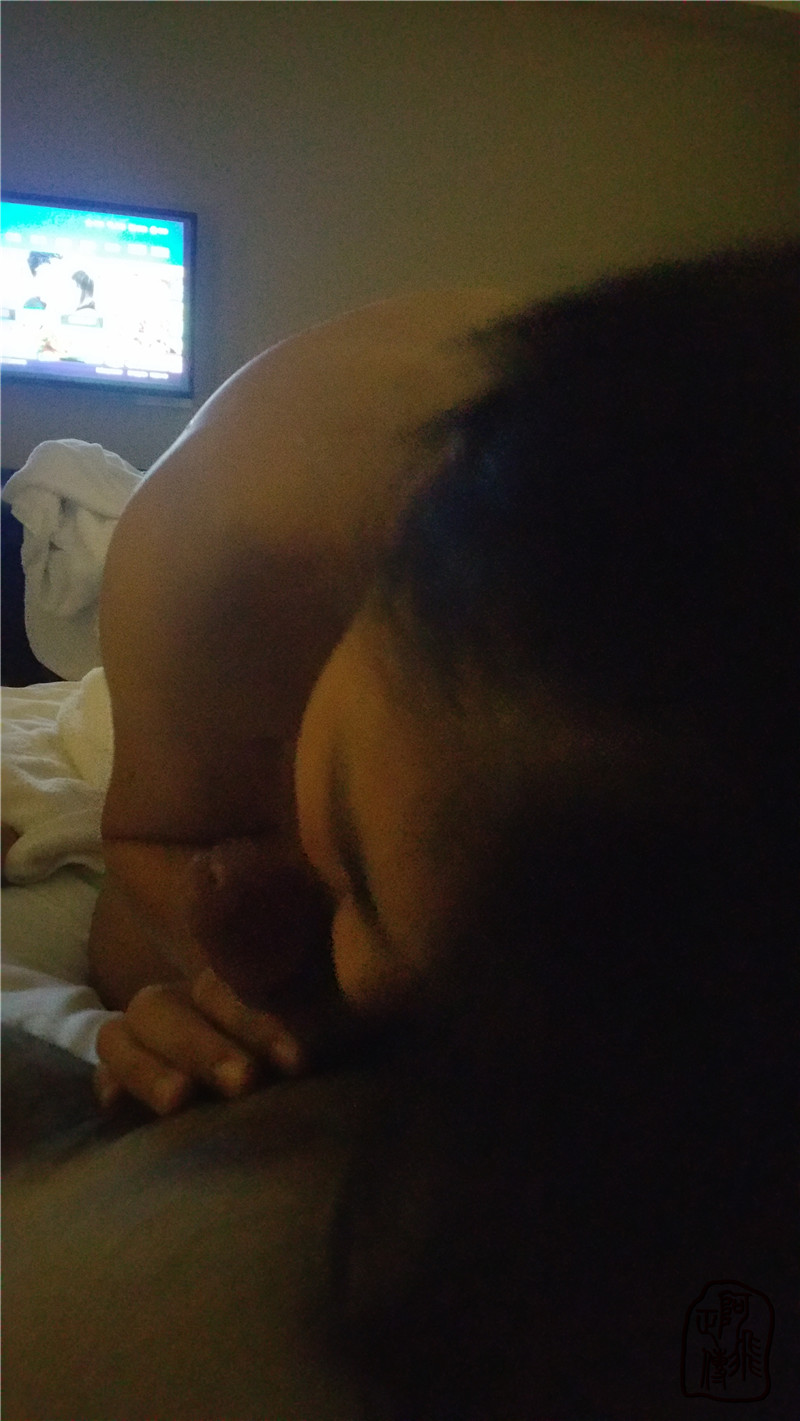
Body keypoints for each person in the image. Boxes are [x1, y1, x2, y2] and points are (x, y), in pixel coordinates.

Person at [3, 243, 796, 1421]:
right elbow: (149, 850)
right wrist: (220, 984)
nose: (365, 981)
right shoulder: (225, 545)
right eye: (357, 869)